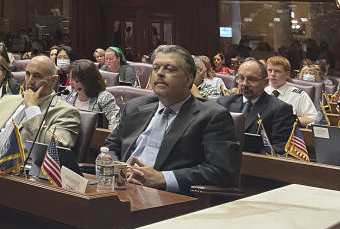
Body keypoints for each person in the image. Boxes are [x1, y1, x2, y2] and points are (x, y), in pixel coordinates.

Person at [105, 45, 240, 192]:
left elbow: (221, 171)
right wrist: (119, 168)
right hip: (121, 186)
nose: (160, 74)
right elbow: (110, 147)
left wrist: (163, 178)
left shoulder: (212, 116)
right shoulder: (135, 107)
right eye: (156, 68)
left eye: (169, 69)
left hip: (166, 196)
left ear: (189, 79)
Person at [0, 56, 80, 152]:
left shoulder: (66, 113)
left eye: (37, 76)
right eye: (27, 74)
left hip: (20, 174)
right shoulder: (7, 100)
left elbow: (53, 150)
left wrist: (33, 109)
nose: (29, 81)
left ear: (53, 80)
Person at [217, 60, 296, 155]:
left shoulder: (280, 109)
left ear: (266, 82)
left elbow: (280, 148)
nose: (244, 84)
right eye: (241, 78)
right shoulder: (224, 103)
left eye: (251, 79)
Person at [265, 55, 318, 126]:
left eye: (277, 71)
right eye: (269, 70)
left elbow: (313, 119)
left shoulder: (299, 95)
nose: (272, 74)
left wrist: (290, 120)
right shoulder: (262, 92)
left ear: (287, 74)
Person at [66, 59, 120, 130]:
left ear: (88, 81)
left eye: (75, 80)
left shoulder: (104, 98)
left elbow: (115, 126)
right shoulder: (68, 92)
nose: (71, 83)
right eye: (70, 78)